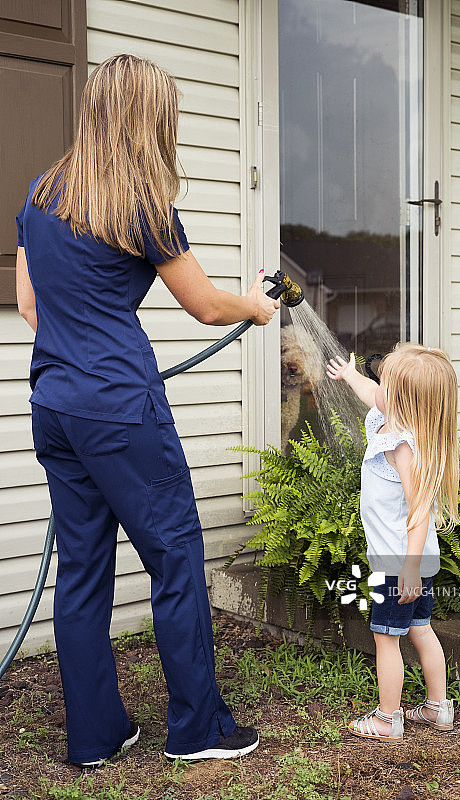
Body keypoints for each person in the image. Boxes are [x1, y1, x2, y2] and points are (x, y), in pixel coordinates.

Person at [15, 53, 280, 768]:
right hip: (122, 413)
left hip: (55, 405)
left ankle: (95, 736)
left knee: (81, 572)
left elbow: (30, 305)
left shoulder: (41, 194)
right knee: (175, 559)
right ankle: (198, 728)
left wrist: (79, 352)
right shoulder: (140, 205)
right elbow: (202, 305)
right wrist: (254, 308)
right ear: (145, 118)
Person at [326, 343, 459, 742]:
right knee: (422, 629)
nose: (380, 383)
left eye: (389, 381)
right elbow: (374, 395)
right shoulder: (397, 417)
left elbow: (420, 513)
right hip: (414, 562)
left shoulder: (403, 446)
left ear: (405, 399)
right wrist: (350, 375)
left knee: (387, 640)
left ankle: (387, 719)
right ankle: (438, 708)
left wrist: (409, 569)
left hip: (398, 565)